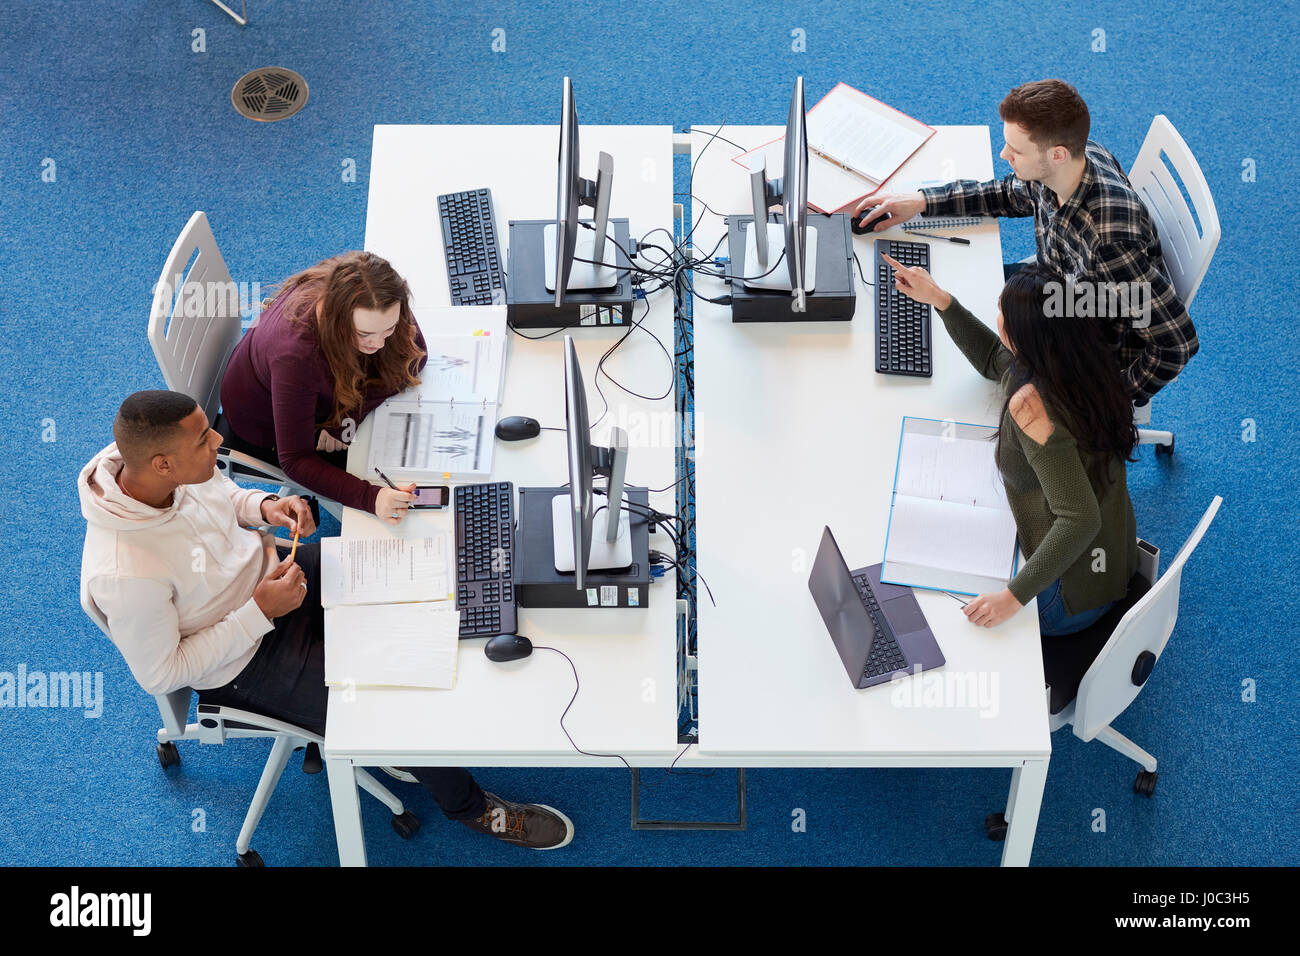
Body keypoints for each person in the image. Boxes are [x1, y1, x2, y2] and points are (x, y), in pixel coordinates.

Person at [80, 389, 573, 850]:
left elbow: (223, 494)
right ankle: (470, 807)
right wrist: (258, 612)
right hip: (244, 658)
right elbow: (160, 674)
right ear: (163, 464)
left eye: (210, 430)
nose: (218, 442)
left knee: (410, 570)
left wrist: (267, 506)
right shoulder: (125, 572)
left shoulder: (166, 468)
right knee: (400, 710)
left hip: (279, 580)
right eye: (205, 439)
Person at [855, 78, 1198, 407]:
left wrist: (1107, 402)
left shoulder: (1109, 241)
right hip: (1056, 290)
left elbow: (1177, 343)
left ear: (1057, 154)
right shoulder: (1067, 167)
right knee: (953, 287)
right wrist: (920, 202)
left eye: (1016, 149)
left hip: (1083, 332)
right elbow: (1005, 195)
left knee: (964, 381)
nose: (1004, 154)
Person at [883, 259, 1139, 635]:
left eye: (1002, 313)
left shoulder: (1032, 405)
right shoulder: (1078, 357)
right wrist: (940, 300)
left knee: (931, 602)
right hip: (1110, 558)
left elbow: (1081, 519)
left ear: (1024, 337)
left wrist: (1011, 598)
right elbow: (994, 360)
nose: (997, 315)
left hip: (1072, 599)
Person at [220, 251, 422, 525]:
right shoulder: (295, 356)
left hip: (313, 393)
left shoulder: (373, 292)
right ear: (335, 317)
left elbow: (415, 352)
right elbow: (295, 460)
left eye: (388, 330)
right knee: (398, 470)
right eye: (364, 335)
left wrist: (350, 415)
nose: (379, 345)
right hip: (263, 426)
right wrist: (371, 497)